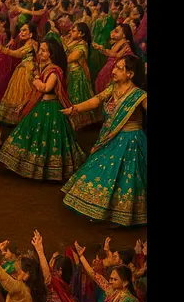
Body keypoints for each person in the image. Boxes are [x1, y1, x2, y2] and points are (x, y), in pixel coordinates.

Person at [60, 55, 147, 226]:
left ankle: (121, 216)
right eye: (115, 66)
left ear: (130, 74)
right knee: (99, 170)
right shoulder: (112, 89)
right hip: (110, 138)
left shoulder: (139, 95)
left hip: (130, 142)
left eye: (119, 68)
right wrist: (75, 109)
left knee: (126, 179)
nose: (113, 70)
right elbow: (96, 101)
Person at [0, 37, 85, 181]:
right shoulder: (43, 67)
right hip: (41, 105)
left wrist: (36, 80)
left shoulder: (54, 71)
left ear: (51, 54)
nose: (40, 53)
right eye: (40, 50)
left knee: (47, 139)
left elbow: (46, 88)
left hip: (51, 108)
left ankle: (45, 170)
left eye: (44, 51)